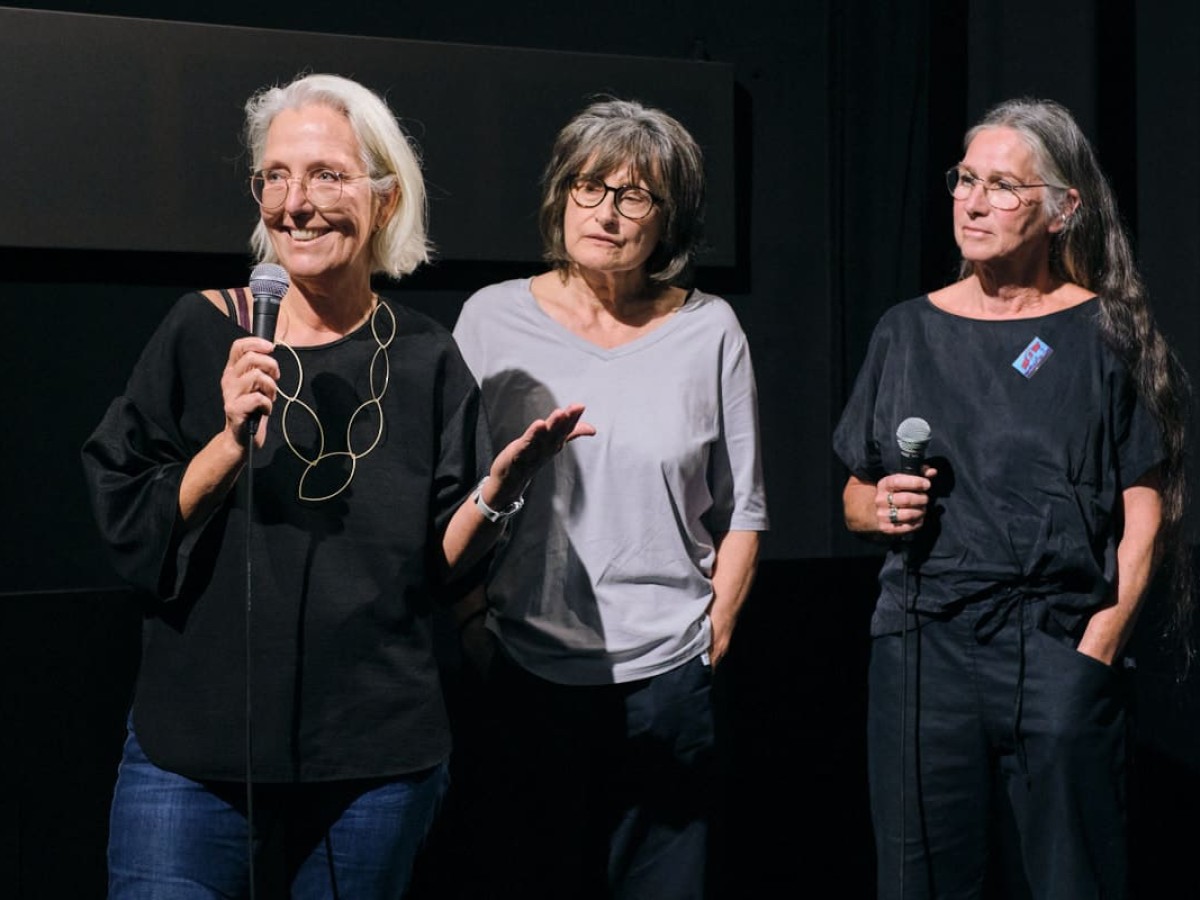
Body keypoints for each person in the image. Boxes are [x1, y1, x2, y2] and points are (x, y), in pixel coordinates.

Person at [81, 72, 592, 899]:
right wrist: (228, 445)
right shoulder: (201, 329)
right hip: (193, 755)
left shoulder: (425, 357)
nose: (296, 202)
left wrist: (498, 488)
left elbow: (441, 568)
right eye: (275, 177)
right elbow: (126, 513)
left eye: (325, 175)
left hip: (371, 760)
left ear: (385, 201)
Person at [832, 97, 1192, 898]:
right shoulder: (906, 330)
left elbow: (1147, 502)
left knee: (1074, 881)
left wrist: (1098, 646)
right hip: (925, 650)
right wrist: (877, 508)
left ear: (1063, 208)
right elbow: (854, 493)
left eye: (1003, 185)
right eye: (965, 179)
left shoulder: (1107, 332)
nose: (974, 201)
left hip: (1058, 641)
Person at [448, 98, 769, 899]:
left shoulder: (711, 330)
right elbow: (448, 488)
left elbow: (745, 508)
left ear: (672, 221)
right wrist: (468, 620)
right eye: (589, 186)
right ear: (560, 196)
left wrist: (710, 636)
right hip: (526, 670)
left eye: (636, 195)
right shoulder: (490, 319)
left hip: (667, 678)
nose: (607, 211)